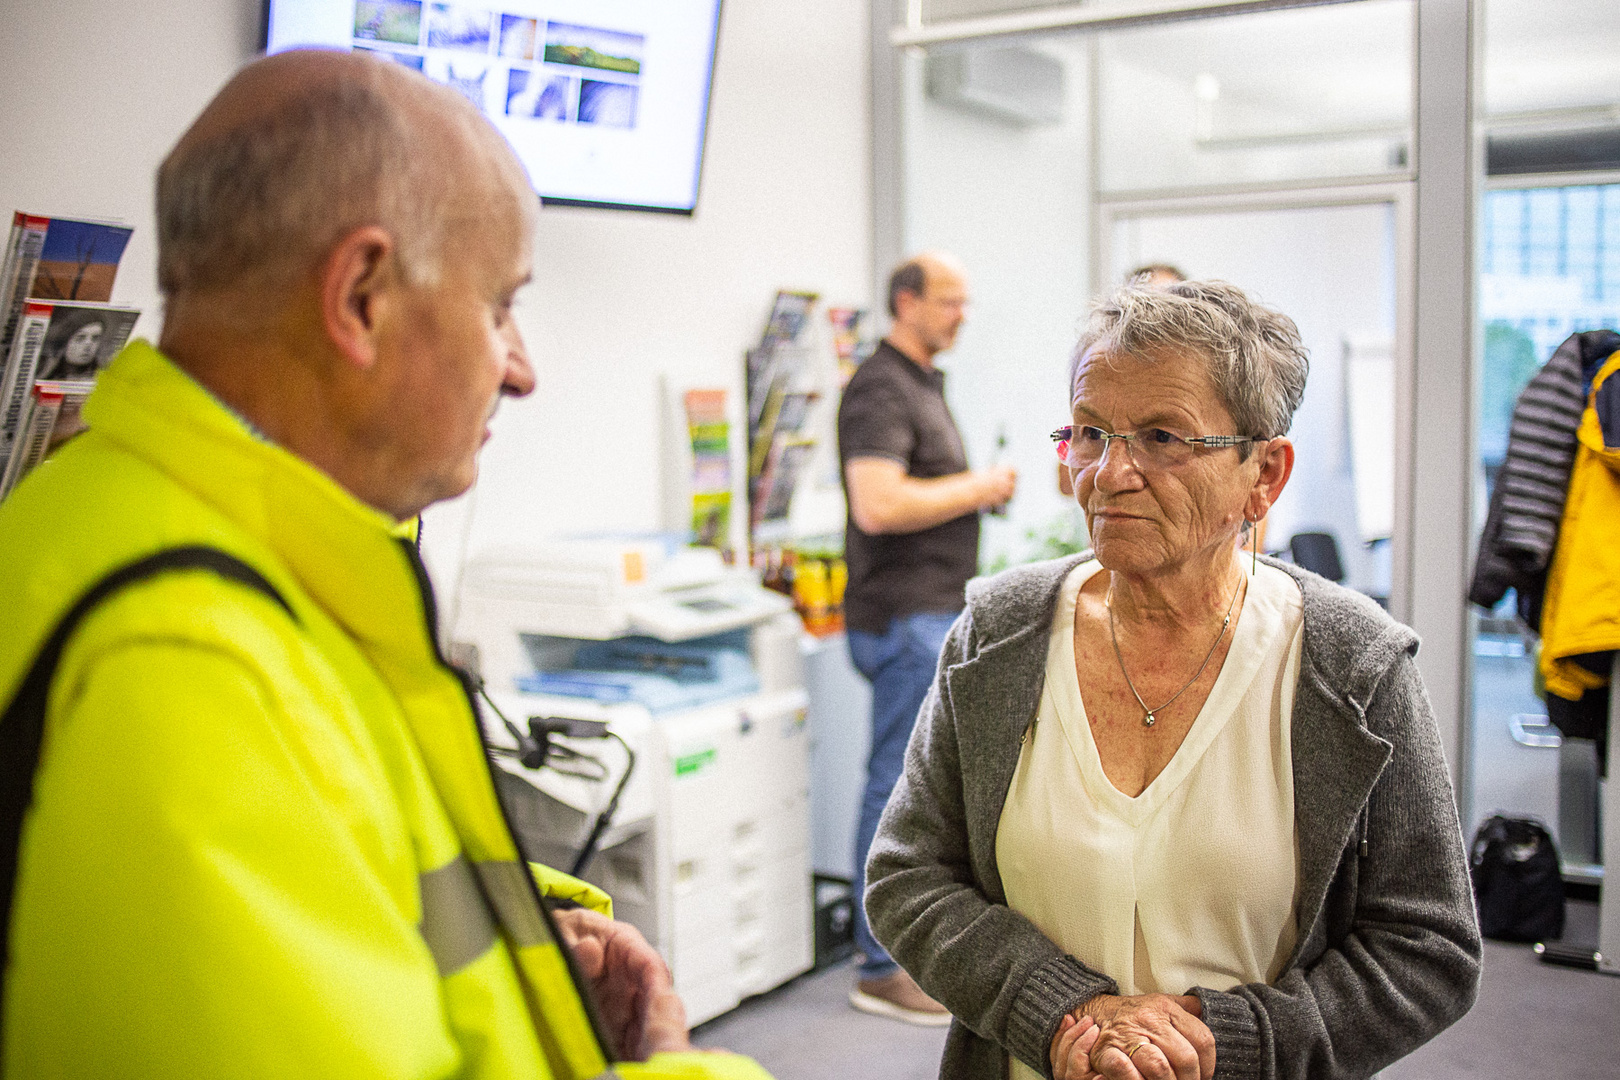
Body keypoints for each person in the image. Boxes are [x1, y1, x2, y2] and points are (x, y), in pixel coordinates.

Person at [0, 50, 769, 1080]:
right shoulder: (193, 662)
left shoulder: (96, 514)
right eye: (501, 305)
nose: (523, 368)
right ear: (360, 295)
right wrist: (683, 1067)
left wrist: (511, 947)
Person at [865, 279, 1481, 1079]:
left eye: (1162, 437)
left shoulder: (1350, 663)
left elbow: (1429, 950)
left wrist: (1224, 1039)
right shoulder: (999, 636)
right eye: (1090, 433)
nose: (1112, 473)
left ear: (1263, 475)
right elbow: (907, 875)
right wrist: (1063, 1012)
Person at [837, 251, 1017, 1025]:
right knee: (894, 787)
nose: (961, 315)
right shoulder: (880, 386)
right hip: (904, 617)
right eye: (948, 300)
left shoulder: (919, 385)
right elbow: (877, 504)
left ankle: (900, 951)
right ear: (905, 301)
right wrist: (981, 487)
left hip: (930, 613)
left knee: (918, 788)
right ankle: (879, 967)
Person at [34, 309, 107, 381]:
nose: (88, 346)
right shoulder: (47, 376)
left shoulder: (104, 379)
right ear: (64, 343)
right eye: (80, 338)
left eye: (95, 338)